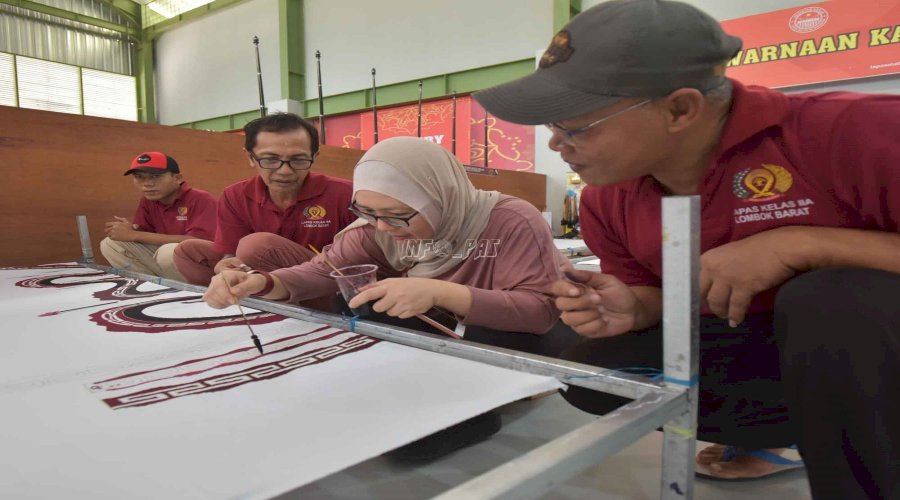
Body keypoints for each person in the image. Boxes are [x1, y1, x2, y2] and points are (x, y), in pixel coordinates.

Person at [474, 0, 899, 497]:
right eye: (552, 128)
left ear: (680, 108)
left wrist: (805, 244)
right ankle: (801, 434)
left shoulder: (848, 133)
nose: (556, 145)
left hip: (862, 341)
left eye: (576, 126)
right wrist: (633, 305)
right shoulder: (608, 197)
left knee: (834, 301)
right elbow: (654, 295)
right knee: (599, 371)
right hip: (789, 353)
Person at [202, 136, 563, 335]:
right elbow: (321, 272)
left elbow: (540, 313)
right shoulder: (374, 232)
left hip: (511, 336)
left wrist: (440, 292)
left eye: (398, 216)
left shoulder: (510, 221)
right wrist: (258, 283)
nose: (383, 228)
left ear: (441, 198)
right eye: (367, 212)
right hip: (447, 333)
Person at [173, 113, 355, 287]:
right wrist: (226, 264)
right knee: (187, 252)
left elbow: (359, 259)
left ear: (314, 157)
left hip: (324, 278)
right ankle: (245, 302)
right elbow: (231, 252)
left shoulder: (346, 194)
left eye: (298, 160)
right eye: (270, 159)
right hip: (259, 271)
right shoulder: (235, 195)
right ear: (251, 157)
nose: (284, 171)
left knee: (256, 246)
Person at [100, 152, 216, 280]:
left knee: (168, 252)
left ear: (177, 178)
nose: (147, 184)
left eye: (155, 176)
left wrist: (134, 235)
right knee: (111, 244)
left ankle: (191, 291)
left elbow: (199, 242)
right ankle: (152, 287)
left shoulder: (200, 198)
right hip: (169, 263)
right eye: (139, 177)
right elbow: (146, 235)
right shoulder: (148, 201)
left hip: (206, 267)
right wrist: (131, 230)